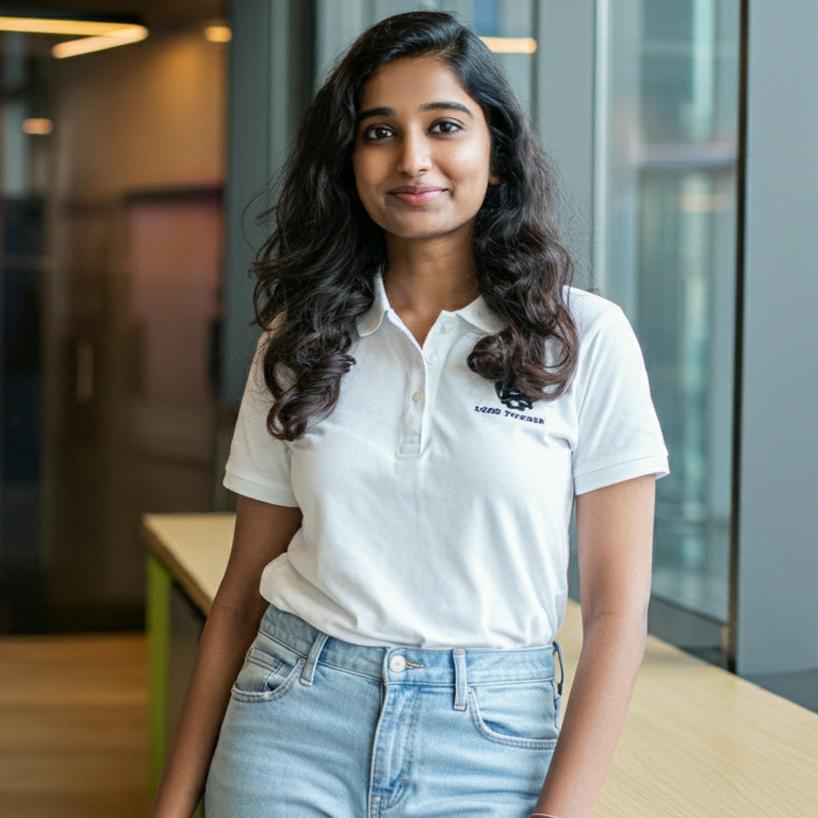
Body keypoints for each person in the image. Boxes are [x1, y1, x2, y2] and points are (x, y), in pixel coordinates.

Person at [148, 10, 670, 818]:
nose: (412, 159)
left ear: (495, 154)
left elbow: (614, 613)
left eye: (445, 125)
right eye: (379, 131)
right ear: (349, 161)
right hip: (291, 714)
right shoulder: (299, 340)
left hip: (491, 739)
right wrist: (174, 800)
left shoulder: (584, 338)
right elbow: (242, 597)